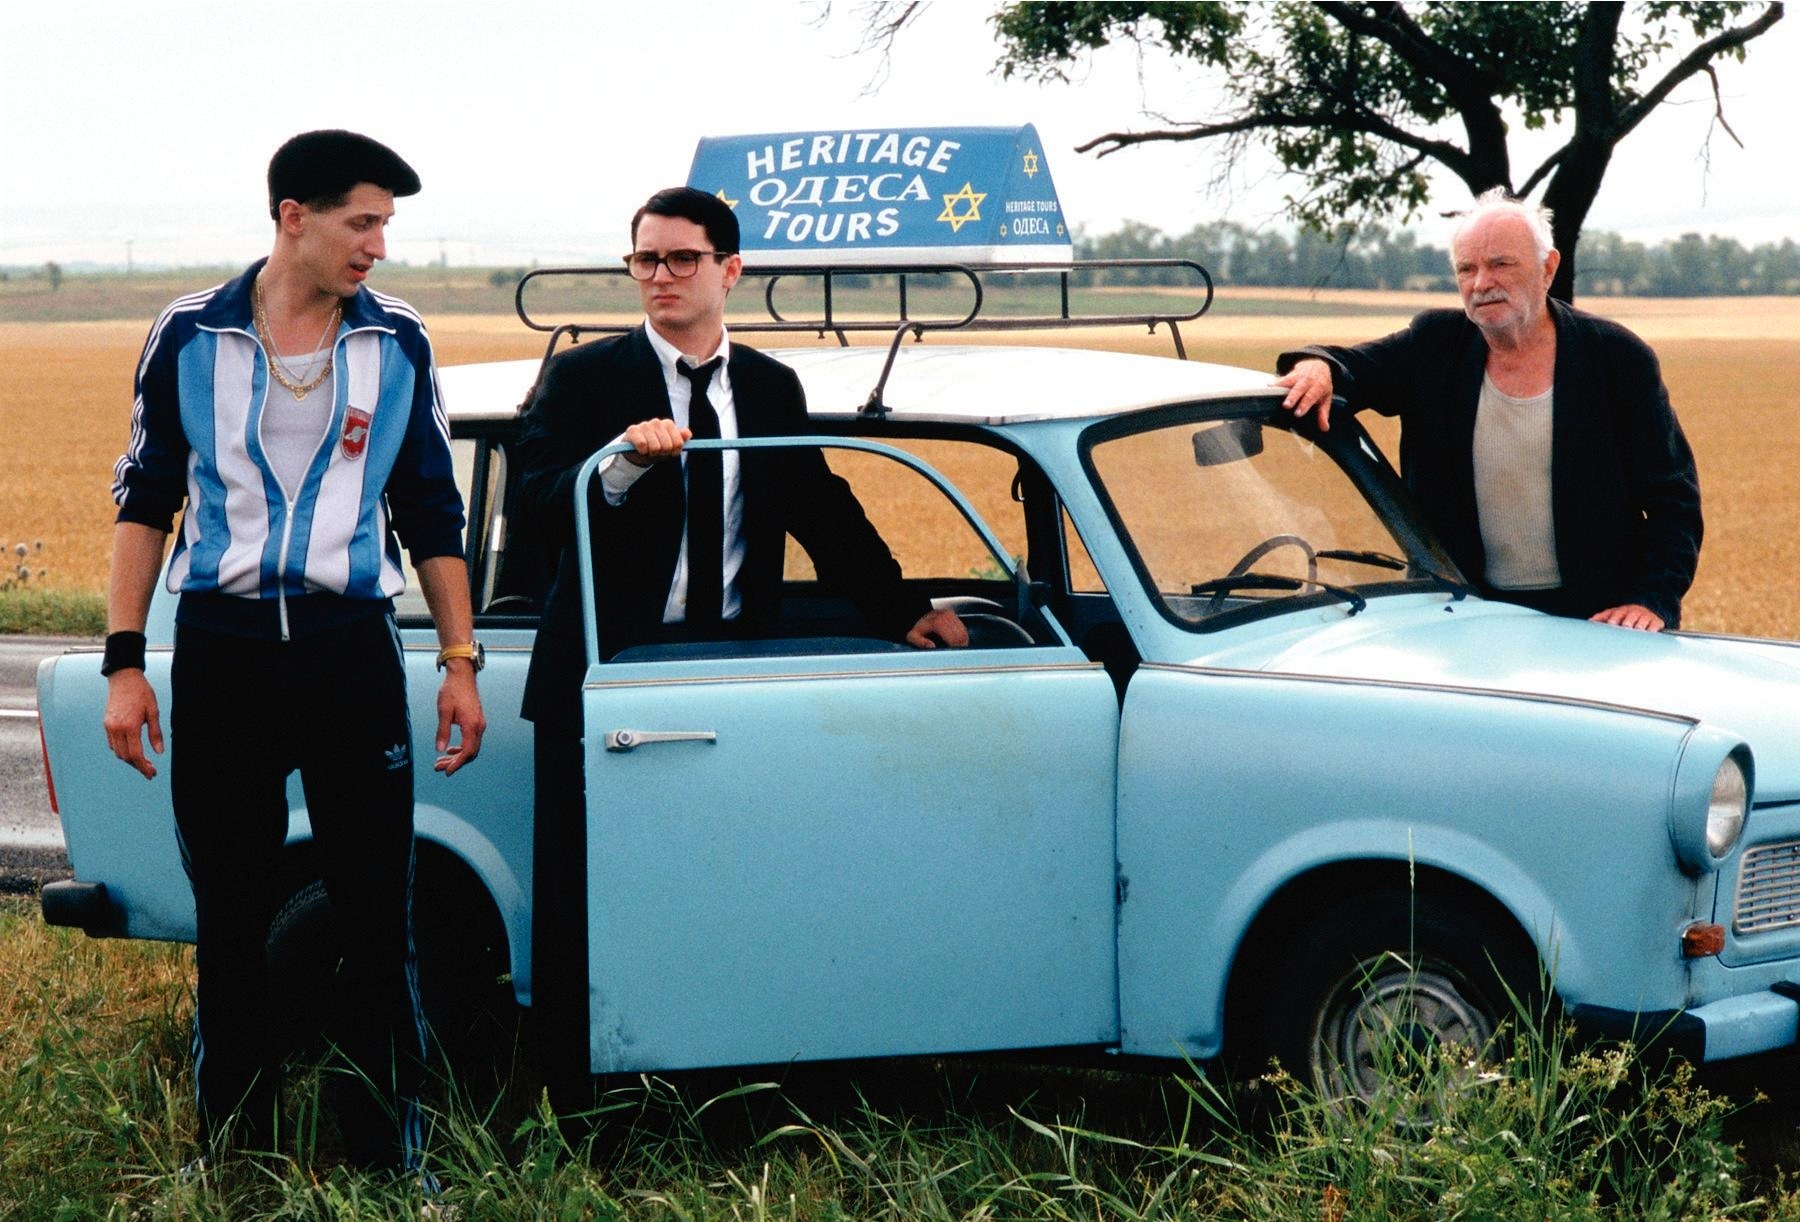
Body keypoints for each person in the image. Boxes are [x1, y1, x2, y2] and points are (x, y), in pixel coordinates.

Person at [514, 185, 965, 1113]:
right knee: (584, 900)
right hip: (601, 676)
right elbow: (532, 507)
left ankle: (723, 1088)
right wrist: (622, 464)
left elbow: (817, 502)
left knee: (719, 879)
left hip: (725, 675)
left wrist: (902, 608)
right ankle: (576, 1107)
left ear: (731, 270)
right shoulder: (585, 378)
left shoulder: (769, 385)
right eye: (644, 259)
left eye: (681, 259)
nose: (660, 277)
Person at [102, 130, 486, 1175]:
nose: (377, 246)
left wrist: (457, 661)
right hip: (221, 651)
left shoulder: (396, 339)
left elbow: (432, 511)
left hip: (348, 650)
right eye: (362, 222)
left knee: (377, 917)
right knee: (230, 920)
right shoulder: (188, 334)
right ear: (293, 218)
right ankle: (231, 1162)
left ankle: (387, 1162)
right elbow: (144, 499)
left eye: (385, 226)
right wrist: (125, 662)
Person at [1272, 188, 1702, 631]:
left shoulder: (1616, 359)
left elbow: (1674, 501)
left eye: (1500, 264)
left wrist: (1653, 599)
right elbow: (1351, 368)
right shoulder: (1434, 346)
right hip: (1464, 616)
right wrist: (1317, 366)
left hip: (1598, 620)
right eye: (1467, 269)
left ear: (1547, 268)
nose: (1481, 283)